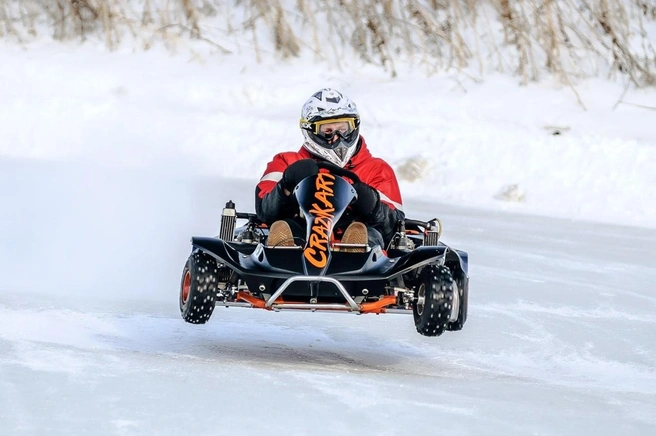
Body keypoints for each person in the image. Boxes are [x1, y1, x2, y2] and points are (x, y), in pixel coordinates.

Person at [255, 88, 404, 251]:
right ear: (309, 130)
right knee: (283, 229)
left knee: (366, 234)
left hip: (357, 242)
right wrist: (286, 186)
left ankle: (353, 257)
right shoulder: (286, 162)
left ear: (354, 126)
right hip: (303, 240)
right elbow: (265, 211)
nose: (336, 138)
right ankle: (282, 263)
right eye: (327, 131)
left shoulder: (377, 169)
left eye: (342, 130)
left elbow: (395, 227)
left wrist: (373, 205)